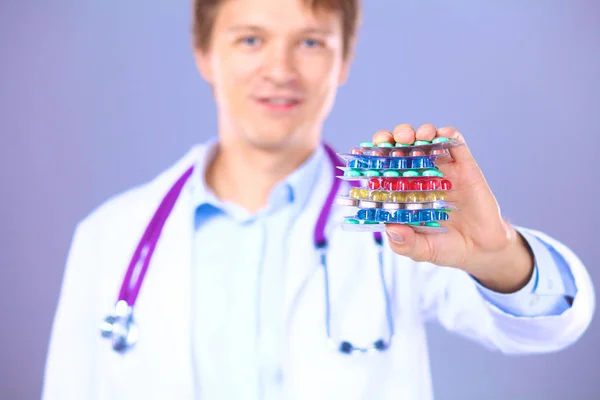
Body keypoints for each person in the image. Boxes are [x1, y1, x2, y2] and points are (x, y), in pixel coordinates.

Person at [42, 0, 595, 399]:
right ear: (205, 53)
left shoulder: (398, 220)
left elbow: (547, 325)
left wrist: (496, 253)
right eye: (250, 39)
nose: (279, 71)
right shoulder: (109, 236)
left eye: (310, 42)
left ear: (344, 58)